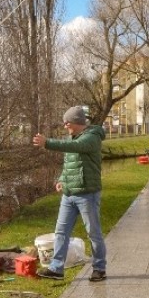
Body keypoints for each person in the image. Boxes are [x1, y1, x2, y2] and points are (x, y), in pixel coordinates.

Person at [32, 106, 108, 282]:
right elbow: (68, 165)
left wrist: (48, 143)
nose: (65, 125)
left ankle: (99, 268)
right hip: (69, 194)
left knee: (93, 233)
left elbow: (76, 147)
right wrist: (61, 180)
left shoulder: (92, 138)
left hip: (87, 194)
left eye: (68, 122)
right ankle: (56, 269)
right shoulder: (72, 138)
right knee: (61, 232)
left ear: (77, 122)